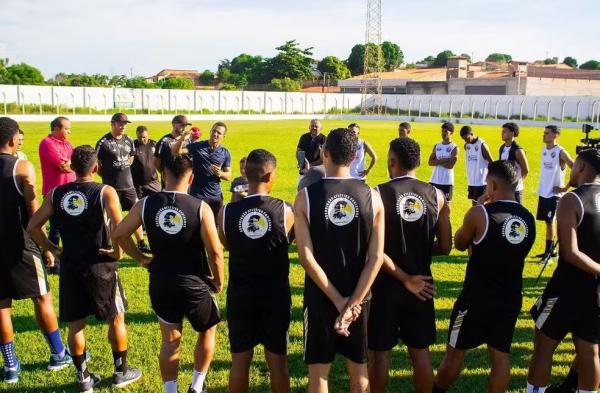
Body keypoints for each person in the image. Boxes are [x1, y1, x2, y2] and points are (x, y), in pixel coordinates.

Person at [27, 145, 142, 392]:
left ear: (72, 167)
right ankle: (121, 371)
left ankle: (84, 380)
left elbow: (33, 226)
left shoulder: (57, 193)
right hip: (101, 266)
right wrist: (119, 253)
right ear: (96, 167)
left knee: (75, 324)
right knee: (116, 317)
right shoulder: (105, 191)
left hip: (71, 266)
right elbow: (119, 230)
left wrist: (53, 248)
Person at [112, 154, 224, 393]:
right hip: (194, 282)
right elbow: (215, 251)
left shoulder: (145, 204)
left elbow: (119, 235)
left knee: (170, 340)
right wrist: (218, 280)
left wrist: (142, 259)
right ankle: (196, 386)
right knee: (207, 330)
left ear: (163, 175)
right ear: (191, 178)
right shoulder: (200, 207)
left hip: (161, 280)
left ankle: (171, 390)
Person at [294, 127, 385, 393]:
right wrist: (352, 304)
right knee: (359, 373)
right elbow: (376, 258)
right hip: (360, 299)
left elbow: (305, 257)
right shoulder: (374, 198)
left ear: (324, 153)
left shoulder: (304, 198)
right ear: (356, 155)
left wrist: (337, 301)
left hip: (320, 297)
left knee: (319, 377)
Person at [433, 160, 536, 393]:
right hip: (510, 298)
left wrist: (477, 207)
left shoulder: (481, 213)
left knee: (454, 354)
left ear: (493, 184)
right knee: (500, 356)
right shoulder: (527, 218)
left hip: (475, 299)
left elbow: (459, 243)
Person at [368, 137, 451, 393]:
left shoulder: (376, 194)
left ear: (392, 162)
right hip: (422, 285)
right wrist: (419, 252)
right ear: (417, 162)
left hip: (384, 285)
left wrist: (403, 277)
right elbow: (446, 247)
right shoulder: (436, 195)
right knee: (420, 354)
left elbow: (376, 251)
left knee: (380, 355)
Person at [0, 117, 71, 384]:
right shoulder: (22, 167)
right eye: (19, 136)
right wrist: (50, 248)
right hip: (21, 246)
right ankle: (58, 353)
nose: (21, 139)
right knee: (42, 298)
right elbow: (33, 218)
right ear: (11, 139)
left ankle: (10, 367)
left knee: (1, 308)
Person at [218, 149, 294, 393]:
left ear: (246, 174)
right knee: (278, 363)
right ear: (270, 175)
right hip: (275, 295)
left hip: (241, 294)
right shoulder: (285, 210)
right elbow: (290, 241)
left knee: (239, 361)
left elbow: (227, 244)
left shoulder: (226, 211)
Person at [527, 148, 600, 393]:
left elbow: (569, 252)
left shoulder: (572, 199)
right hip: (596, 291)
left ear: (580, 167)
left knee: (543, 346)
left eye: (574, 164)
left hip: (567, 288)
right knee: (589, 349)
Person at [95, 113, 149, 253]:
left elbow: (131, 157)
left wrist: (123, 168)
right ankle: (109, 243)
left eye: (125, 124)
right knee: (112, 217)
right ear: (112, 124)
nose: (123, 126)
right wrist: (108, 175)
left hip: (129, 186)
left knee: (135, 214)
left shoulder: (129, 140)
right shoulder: (103, 142)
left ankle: (141, 242)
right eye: (120, 123)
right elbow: (97, 166)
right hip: (112, 187)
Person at [38, 116, 76, 272]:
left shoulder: (67, 144)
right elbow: (64, 167)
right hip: (55, 192)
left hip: (69, 192)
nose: (69, 131)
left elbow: (74, 163)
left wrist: (72, 164)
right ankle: (51, 262)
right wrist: (75, 165)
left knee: (66, 227)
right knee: (56, 229)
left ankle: (58, 260)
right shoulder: (47, 144)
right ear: (55, 129)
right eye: (66, 128)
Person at [172, 121, 232, 218]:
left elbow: (229, 176)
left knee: (216, 225)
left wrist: (220, 173)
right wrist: (182, 138)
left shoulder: (225, 153)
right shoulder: (198, 146)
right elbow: (176, 152)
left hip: (215, 197)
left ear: (223, 136)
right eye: (214, 131)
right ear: (210, 131)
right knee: (196, 225)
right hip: (198, 195)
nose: (215, 134)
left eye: (219, 133)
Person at [535, 125, 574, 260]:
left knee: (551, 222)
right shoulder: (544, 150)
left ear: (555, 135)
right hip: (544, 192)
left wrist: (565, 188)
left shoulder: (560, 152)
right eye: (543, 133)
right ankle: (552, 251)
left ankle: (548, 254)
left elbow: (574, 168)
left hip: (554, 195)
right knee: (547, 222)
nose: (543, 135)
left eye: (546, 133)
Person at [459, 126, 492, 206]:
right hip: (472, 181)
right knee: (474, 204)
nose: (466, 140)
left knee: (481, 205)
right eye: (464, 139)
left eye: (467, 138)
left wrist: (489, 180)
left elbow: (492, 163)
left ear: (472, 133)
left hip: (481, 182)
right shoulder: (467, 145)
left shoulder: (482, 145)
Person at [429, 122, 459, 204]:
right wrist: (445, 160)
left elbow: (450, 166)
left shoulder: (454, 148)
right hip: (434, 180)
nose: (443, 133)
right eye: (442, 131)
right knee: (432, 203)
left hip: (447, 181)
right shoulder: (437, 146)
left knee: (447, 205)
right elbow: (430, 162)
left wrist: (437, 161)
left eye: (446, 131)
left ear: (451, 133)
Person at [499, 122, 529, 204]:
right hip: (504, 189)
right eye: (502, 131)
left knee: (516, 214)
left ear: (512, 133)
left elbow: (526, 170)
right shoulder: (502, 148)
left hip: (515, 191)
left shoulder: (518, 150)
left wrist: (517, 182)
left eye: (504, 131)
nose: (502, 133)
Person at [132, 125, 160, 199]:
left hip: (153, 182)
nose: (142, 139)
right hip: (138, 184)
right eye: (139, 137)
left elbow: (160, 161)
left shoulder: (154, 144)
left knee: (159, 202)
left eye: (144, 137)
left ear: (148, 135)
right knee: (140, 206)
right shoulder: (132, 145)